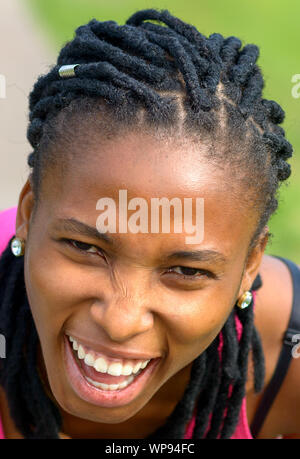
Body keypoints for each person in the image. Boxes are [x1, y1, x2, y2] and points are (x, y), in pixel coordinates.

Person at [0, 8, 299, 439]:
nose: (120, 321)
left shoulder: (286, 357)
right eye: (86, 248)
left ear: (250, 264)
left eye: (187, 271)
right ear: (28, 213)